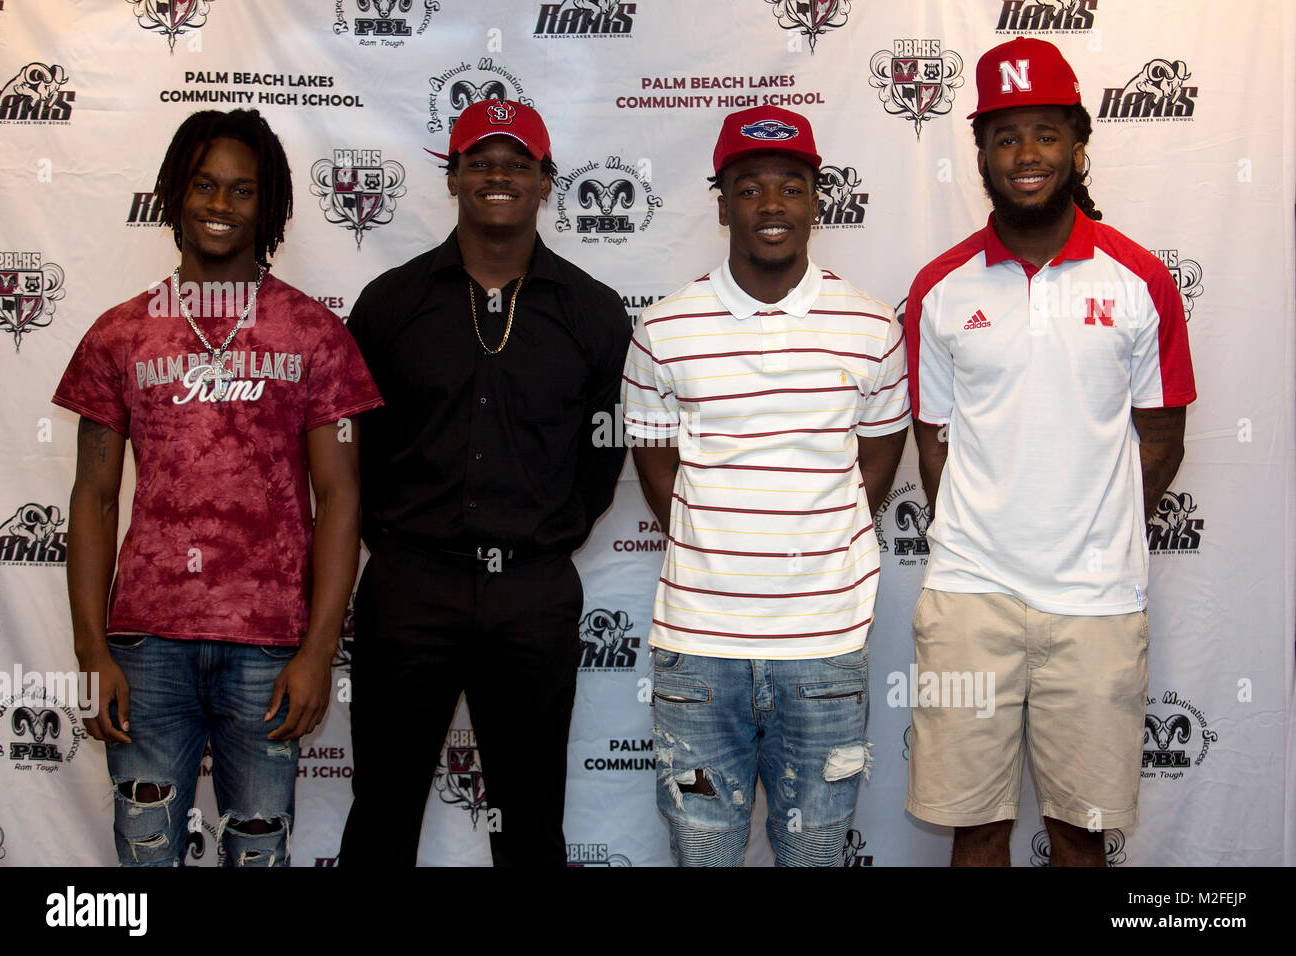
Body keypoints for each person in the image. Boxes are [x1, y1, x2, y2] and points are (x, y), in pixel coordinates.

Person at [54, 108, 382, 866]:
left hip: (269, 650)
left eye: (242, 190)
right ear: (175, 193)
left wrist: (318, 651)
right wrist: (92, 652)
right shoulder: (121, 334)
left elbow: (339, 500)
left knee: (259, 849)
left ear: (267, 209)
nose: (219, 204)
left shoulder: (313, 335)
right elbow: (93, 499)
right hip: (146, 647)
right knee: (143, 854)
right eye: (204, 184)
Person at [903, 38, 1196, 866]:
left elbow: (1163, 440)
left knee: (1081, 829)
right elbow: (934, 442)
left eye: (1044, 133)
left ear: (1077, 144)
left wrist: (1090, 532)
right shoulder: (939, 288)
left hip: (1097, 602)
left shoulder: (1140, 280)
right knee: (975, 826)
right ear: (983, 155)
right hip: (969, 598)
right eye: (1004, 137)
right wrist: (991, 530)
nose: (1025, 155)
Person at [339, 99, 632, 867]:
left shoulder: (593, 312)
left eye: (517, 163)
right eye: (479, 160)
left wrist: (544, 539)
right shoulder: (390, 305)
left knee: (531, 825)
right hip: (410, 588)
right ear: (453, 176)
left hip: (532, 593)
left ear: (546, 182)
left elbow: (602, 454)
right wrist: (402, 551)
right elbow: (353, 453)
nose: (497, 174)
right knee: (382, 816)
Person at [624, 105, 910, 866]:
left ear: (818, 198)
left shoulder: (873, 325)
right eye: (750, 188)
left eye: (791, 186)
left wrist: (816, 544)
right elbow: (655, 461)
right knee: (703, 849)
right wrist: (716, 547)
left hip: (824, 643)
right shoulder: (664, 328)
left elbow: (878, 458)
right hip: (697, 647)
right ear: (722, 203)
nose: (773, 205)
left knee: (814, 852)